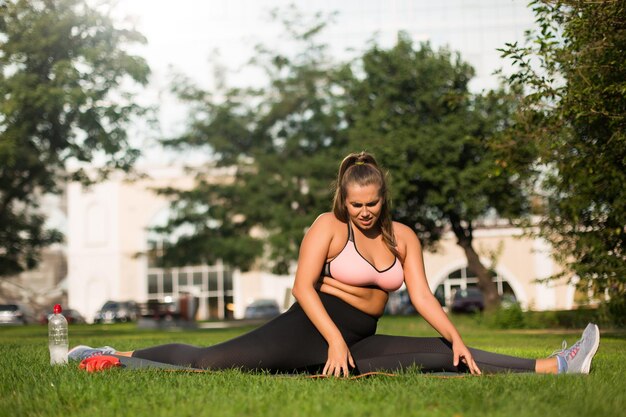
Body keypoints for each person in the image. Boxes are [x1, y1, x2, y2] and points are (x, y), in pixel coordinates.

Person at [69, 152, 600, 376]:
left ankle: (558, 364)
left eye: (371, 204)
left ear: (382, 199)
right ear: (344, 200)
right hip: (313, 323)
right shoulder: (328, 226)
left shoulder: (404, 237)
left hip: (362, 333)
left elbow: (419, 296)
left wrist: (453, 333)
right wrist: (335, 341)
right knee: (211, 363)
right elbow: (302, 288)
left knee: (443, 356)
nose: (364, 213)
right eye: (355, 205)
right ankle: (114, 353)